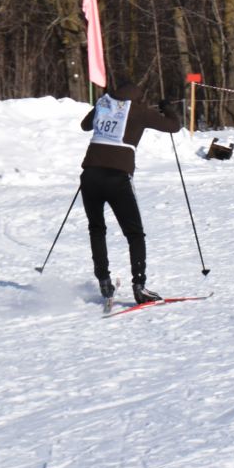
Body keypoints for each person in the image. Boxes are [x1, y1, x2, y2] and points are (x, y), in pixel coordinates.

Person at [78, 79, 183, 306]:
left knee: (97, 229)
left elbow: (85, 125)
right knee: (134, 234)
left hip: (90, 175)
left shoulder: (103, 106)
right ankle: (139, 286)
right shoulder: (139, 111)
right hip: (117, 178)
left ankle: (104, 281)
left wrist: (100, 106)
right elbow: (174, 126)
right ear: (137, 98)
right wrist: (167, 108)